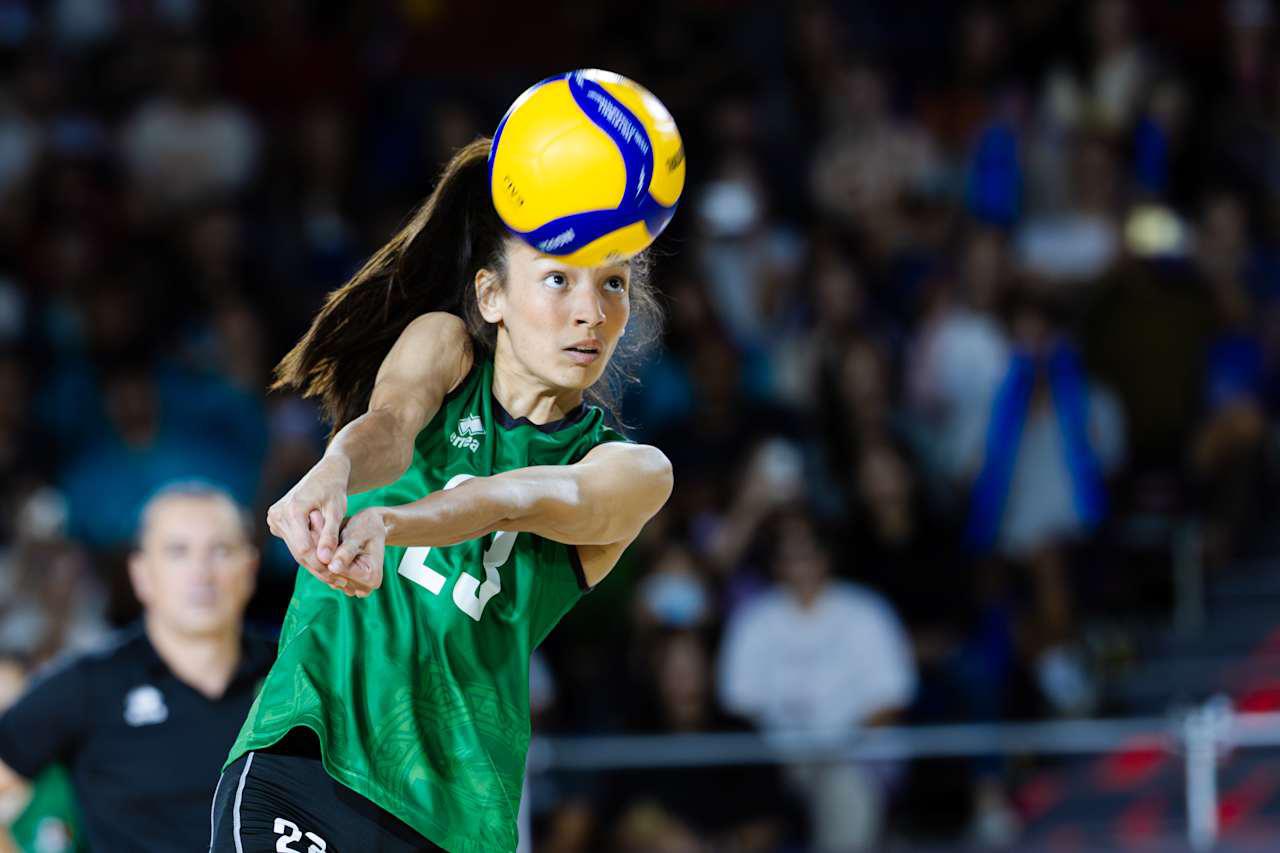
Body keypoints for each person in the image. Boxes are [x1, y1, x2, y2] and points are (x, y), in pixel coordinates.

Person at [210, 138, 674, 853]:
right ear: (492, 296)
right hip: (311, 758)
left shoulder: (633, 470)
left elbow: (510, 495)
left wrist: (391, 522)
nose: (590, 311)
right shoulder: (446, 344)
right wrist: (333, 470)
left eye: (612, 283)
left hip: (459, 818)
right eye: (558, 280)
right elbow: (390, 423)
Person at [0, 481, 272, 852]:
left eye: (221, 551)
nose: (202, 573)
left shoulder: (291, 675)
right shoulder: (89, 684)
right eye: (178, 552)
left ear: (250, 566)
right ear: (142, 573)